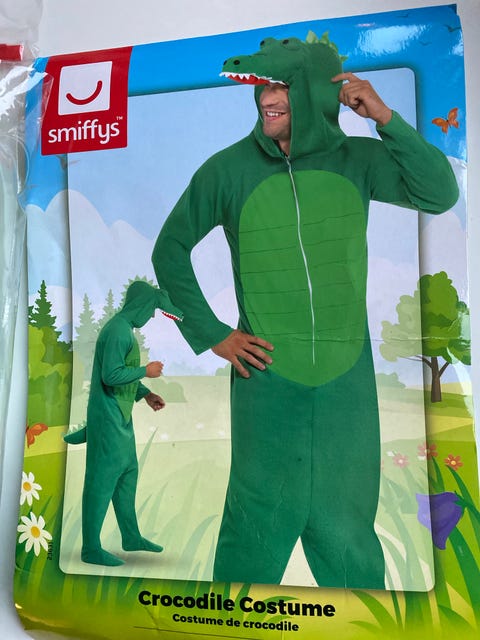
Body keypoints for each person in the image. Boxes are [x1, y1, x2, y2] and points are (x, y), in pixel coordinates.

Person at [152, 34, 458, 588]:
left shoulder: (358, 160)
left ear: (317, 91)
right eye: (264, 88)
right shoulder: (227, 170)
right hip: (266, 374)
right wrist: (211, 333)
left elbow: (439, 194)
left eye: (283, 87)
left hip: (347, 377)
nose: (268, 98)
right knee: (255, 522)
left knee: (347, 522)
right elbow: (169, 250)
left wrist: (385, 119)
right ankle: (233, 618)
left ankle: (365, 621)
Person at [64, 281, 183, 567]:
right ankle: (91, 548)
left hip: (121, 418)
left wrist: (146, 394)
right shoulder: (118, 330)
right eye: (151, 310)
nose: (151, 316)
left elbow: (122, 374)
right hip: (108, 419)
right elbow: (111, 375)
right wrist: (146, 371)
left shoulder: (124, 330)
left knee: (128, 472)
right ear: (141, 305)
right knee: (102, 479)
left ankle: (131, 536)